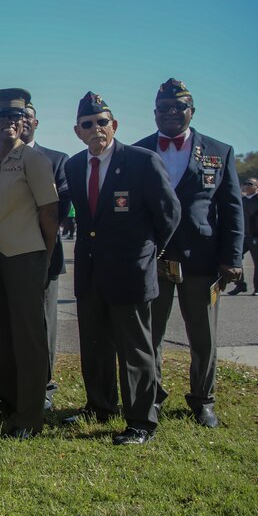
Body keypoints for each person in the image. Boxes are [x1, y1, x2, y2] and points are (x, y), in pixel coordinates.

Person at [63, 92, 180, 445]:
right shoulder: (73, 165)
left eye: (102, 122)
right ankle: (99, 406)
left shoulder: (142, 161)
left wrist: (146, 251)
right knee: (95, 345)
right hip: (90, 271)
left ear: (114, 125)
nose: (96, 128)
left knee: (136, 349)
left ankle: (141, 421)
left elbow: (169, 214)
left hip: (131, 271)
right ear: (77, 131)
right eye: (88, 124)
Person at [133, 78, 243, 428]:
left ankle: (203, 398)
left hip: (203, 259)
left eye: (179, 107)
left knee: (203, 336)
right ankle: (154, 395)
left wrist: (234, 257)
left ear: (191, 111)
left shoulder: (219, 150)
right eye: (164, 108)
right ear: (154, 113)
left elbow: (232, 208)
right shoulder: (139, 151)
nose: (171, 113)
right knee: (151, 334)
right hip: (156, 259)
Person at [0, 88, 58, 439]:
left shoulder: (34, 160)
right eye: (1, 118)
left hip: (26, 256)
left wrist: (45, 256)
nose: (9, 123)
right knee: (4, 333)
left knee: (29, 337)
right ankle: (7, 399)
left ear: (24, 122)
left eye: (15, 117)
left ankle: (30, 413)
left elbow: (49, 213)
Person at [20, 101, 70, 409]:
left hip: (44, 254)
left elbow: (60, 208)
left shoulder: (55, 159)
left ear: (36, 122)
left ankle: (45, 386)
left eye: (26, 116)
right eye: (15, 116)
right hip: (7, 255)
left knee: (43, 323)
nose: (21, 121)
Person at [232, 178, 258, 296]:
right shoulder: (241, 201)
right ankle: (240, 285)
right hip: (243, 237)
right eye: (245, 183)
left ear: (257, 186)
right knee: (235, 260)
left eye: (250, 184)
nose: (246, 186)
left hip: (257, 237)